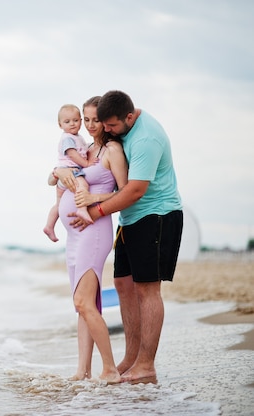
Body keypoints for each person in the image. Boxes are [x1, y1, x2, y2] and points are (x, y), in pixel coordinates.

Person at [65, 90, 183, 384]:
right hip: (131, 219)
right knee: (123, 284)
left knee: (147, 289)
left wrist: (95, 210)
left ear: (129, 117)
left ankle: (146, 364)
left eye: (112, 126)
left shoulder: (146, 139)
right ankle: (131, 359)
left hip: (157, 215)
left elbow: (133, 190)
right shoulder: (121, 126)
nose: (106, 130)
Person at [52, 96, 128, 383]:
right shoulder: (85, 148)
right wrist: (56, 171)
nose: (91, 124)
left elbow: (125, 192)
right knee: (81, 305)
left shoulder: (112, 150)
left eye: (96, 119)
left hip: (94, 232)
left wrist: (95, 198)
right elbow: (58, 176)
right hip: (74, 235)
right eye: (87, 119)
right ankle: (83, 371)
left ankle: (109, 369)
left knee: (84, 302)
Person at [43, 104, 93, 243]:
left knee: (58, 205)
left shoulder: (77, 138)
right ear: (60, 125)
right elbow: (72, 154)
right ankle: (81, 209)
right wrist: (87, 164)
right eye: (67, 122)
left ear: (81, 121)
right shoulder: (67, 138)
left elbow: (83, 149)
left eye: (75, 120)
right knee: (83, 185)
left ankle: (49, 226)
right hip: (70, 172)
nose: (72, 124)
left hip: (63, 177)